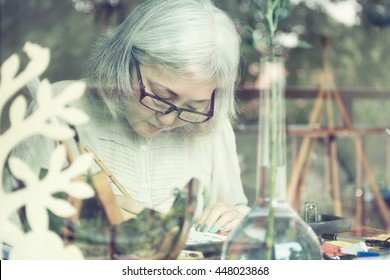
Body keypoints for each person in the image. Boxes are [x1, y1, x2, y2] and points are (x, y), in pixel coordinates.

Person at [10, 0, 250, 234]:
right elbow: (11, 221)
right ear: (124, 60)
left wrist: (236, 221)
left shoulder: (210, 122)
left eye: (193, 106)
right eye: (160, 95)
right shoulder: (59, 105)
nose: (167, 120)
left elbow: (235, 210)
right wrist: (79, 216)